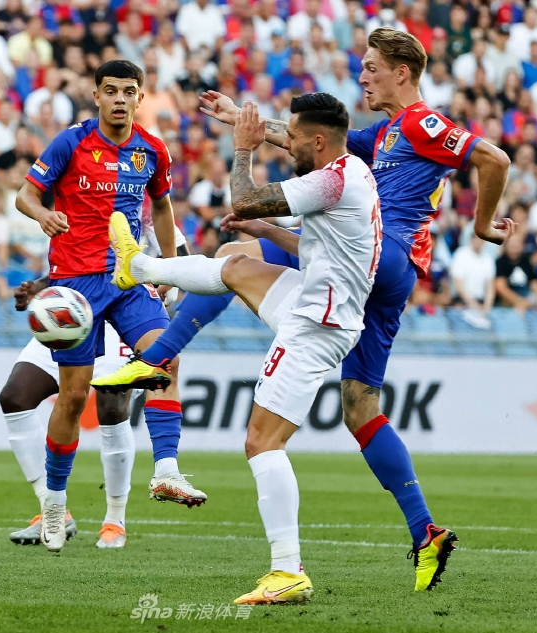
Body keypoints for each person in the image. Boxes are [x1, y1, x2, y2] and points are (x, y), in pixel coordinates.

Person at [97, 28, 512, 592]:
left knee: (238, 257)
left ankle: (158, 354)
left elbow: (492, 157)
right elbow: (311, 140)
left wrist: (483, 225)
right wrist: (244, 121)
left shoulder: (420, 123)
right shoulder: (380, 136)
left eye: (372, 67)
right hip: (384, 276)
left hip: (383, 255)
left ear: (402, 72)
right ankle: (425, 531)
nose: (363, 76)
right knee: (359, 407)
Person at [97, 94, 379, 605]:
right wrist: (266, 230)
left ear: (318, 141)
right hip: (316, 300)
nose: (286, 143)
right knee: (235, 265)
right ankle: (141, 273)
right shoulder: (349, 171)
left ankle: (287, 569)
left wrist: (243, 147)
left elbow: (244, 198)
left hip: (316, 325)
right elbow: (315, 243)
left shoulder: (332, 180)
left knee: (261, 442)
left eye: (293, 137)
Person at [13, 60, 206, 554]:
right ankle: (54, 502)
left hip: (128, 277)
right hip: (75, 288)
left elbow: (162, 206)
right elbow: (25, 196)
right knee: (73, 398)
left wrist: (167, 269)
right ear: (96, 95)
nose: (120, 99)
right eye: (111, 90)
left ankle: (167, 470)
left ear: (140, 97)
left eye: (129, 91)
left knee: (165, 357)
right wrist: (43, 214)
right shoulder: (70, 143)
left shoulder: (152, 149)